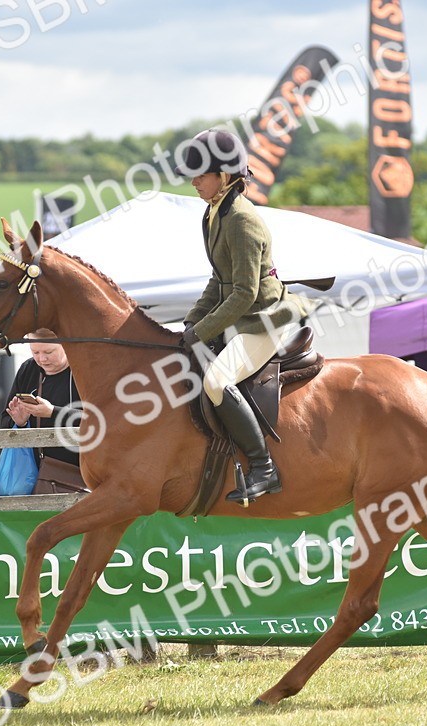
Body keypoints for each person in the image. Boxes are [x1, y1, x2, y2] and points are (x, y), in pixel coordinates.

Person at [175, 128, 316, 504]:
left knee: (217, 383)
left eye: (200, 175)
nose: (194, 182)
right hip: (238, 316)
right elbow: (219, 280)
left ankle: (263, 468)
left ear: (223, 176)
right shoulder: (213, 214)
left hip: (263, 319)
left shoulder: (242, 220)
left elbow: (244, 294)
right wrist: (192, 321)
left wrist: (203, 330)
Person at [0, 329, 88, 494]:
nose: (42, 358)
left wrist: (53, 412)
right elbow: (5, 420)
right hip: (34, 473)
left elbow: (101, 420)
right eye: (35, 352)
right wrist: (20, 421)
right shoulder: (28, 369)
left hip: (82, 472)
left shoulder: (85, 370)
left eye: (49, 352)